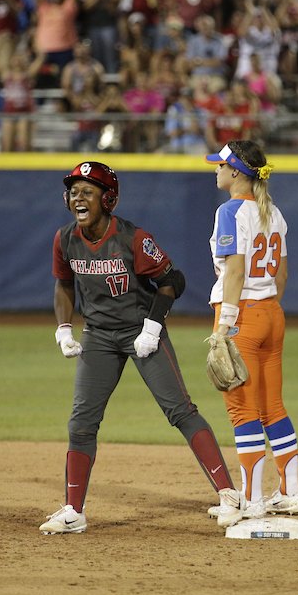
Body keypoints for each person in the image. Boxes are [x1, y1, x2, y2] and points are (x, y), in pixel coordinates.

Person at [42, 162, 243, 534]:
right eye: (74, 192)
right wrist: (64, 328)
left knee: (180, 411)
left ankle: (229, 495)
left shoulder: (132, 238)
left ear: (108, 199)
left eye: (88, 192)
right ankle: (73, 510)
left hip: (141, 332)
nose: (78, 198)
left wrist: (152, 326)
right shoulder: (65, 238)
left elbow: (172, 280)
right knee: (81, 422)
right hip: (98, 336)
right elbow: (64, 283)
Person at [203, 141, 298, 521]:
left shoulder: (229, 211)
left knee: (242, 411)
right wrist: (266, 305)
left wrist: (224, 326)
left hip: (241, 315)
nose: (216, 170)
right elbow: (283, 274)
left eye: (220, 165)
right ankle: (291, 492)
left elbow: (235, 271)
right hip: (271, 313)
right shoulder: (273, 212)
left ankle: (252, 500)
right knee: (272, 407)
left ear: (235, 172)